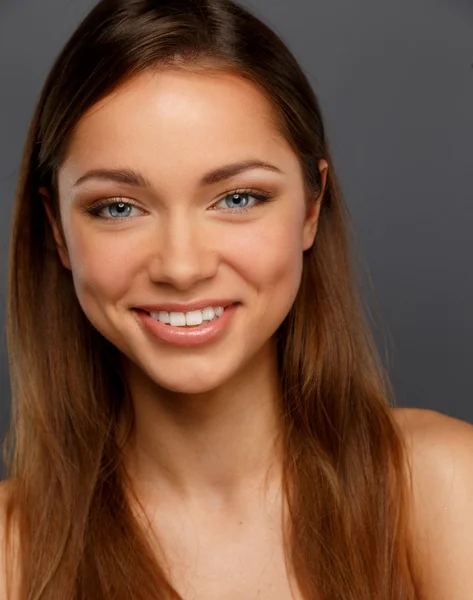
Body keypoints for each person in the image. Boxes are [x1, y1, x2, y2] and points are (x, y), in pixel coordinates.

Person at [1, 0, 473, 598]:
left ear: (310, 206)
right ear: (57, 227)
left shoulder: (447, 487)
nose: (182, 266)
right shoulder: (10, 554)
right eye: (118, 207)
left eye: (238, 198)